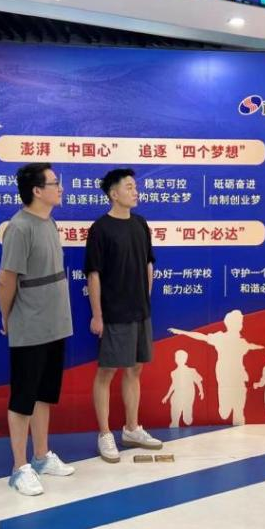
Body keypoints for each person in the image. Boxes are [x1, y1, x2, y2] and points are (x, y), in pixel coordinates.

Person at [0, 163, 75, 496]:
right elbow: (6, 280)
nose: (61, 188)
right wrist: (7, 317)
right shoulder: (19, 228)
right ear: (37, 191)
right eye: (55, 183)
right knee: (23, 398)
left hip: (55, 323)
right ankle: (19, 467)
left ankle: (41, 456)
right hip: (29, 325)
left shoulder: (49, 222)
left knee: (44, 394)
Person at [84, 167, 163, 462]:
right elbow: (93, 274)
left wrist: (145, 298)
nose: (135, 191)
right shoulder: (100, 228)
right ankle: (104, 433)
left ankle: (131, 428)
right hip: (114, 313)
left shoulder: (140, 224)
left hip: (141, 311)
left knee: (135, 369)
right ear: (113, 194)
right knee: (106, 371)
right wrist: (97, 315)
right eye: (129, 187)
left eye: (135, 186)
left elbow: (148, 263)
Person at [168, 310, 263, 426]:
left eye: (241, 322)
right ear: (230, 323)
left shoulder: (241, 341)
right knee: (224, 413)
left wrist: (261, 347)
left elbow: (251, 346)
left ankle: (239, 426)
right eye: (239, 322)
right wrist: (182, 332)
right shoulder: (220, 337)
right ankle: (225, 407)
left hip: (239, 376)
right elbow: (202, 337)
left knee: (239, 410)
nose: (241, 324)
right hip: (224, 377)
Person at [161, 349, 204, 428]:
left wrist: (201, 391)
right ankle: (174, 422)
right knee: (175, 409)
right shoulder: (173, 373)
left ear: (185, 359)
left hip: (188, 395)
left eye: (181, 358)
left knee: (187, 420)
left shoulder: (191, 371)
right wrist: (167, 396)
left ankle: (187, 415)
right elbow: (173, 385)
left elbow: (198, 381)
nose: (179, 359)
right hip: (176, 395)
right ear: (175, 359)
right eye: (177, 357)